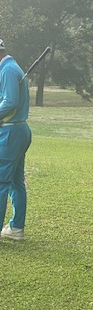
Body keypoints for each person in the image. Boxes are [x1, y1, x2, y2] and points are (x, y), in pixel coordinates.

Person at [0, 40, 32, 241]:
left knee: (2, 182)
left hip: (11, 132)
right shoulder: (10, 67)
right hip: (17, 131)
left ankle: (16, 227)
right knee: (15, 182)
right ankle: (16, 227)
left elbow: (10, 102)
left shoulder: (8, 70)